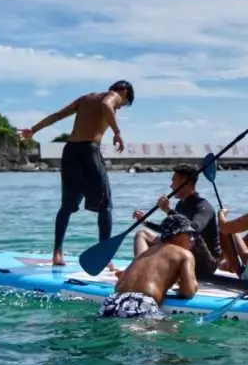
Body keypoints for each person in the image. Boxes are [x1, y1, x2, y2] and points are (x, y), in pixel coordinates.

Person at [19, 80, 134, 266]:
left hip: (70, 151)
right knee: (105, 206)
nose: (119, 107)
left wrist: (33, 130)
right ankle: (104, 255)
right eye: (124, 103)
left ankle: (57, 253)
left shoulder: (85, 98)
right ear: (124, 92)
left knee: (67, 206)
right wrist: (117, 132)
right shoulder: (112, 96)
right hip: (89, 151)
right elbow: (106, 105)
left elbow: (57, 116)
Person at [96, 214, 199, 320]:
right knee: (173, 331)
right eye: (189, 234)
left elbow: (142, 233)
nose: (192, 239)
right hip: (142, 303)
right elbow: (189, 292)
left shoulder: (146, 253)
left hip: (113, 300)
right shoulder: (185, 254)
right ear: (176, 235)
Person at [132, 163, 222, 279]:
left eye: (174, 181)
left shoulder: (203, 207)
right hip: (185, 254)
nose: (171, 186)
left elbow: (193, 229)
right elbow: (171, 231)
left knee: (186, 235)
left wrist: (168, 211)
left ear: (185, 183)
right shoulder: (181, 205)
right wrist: (146, 222)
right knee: (142, 234)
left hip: (205, 265)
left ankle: (144, 270)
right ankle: (140, 268)